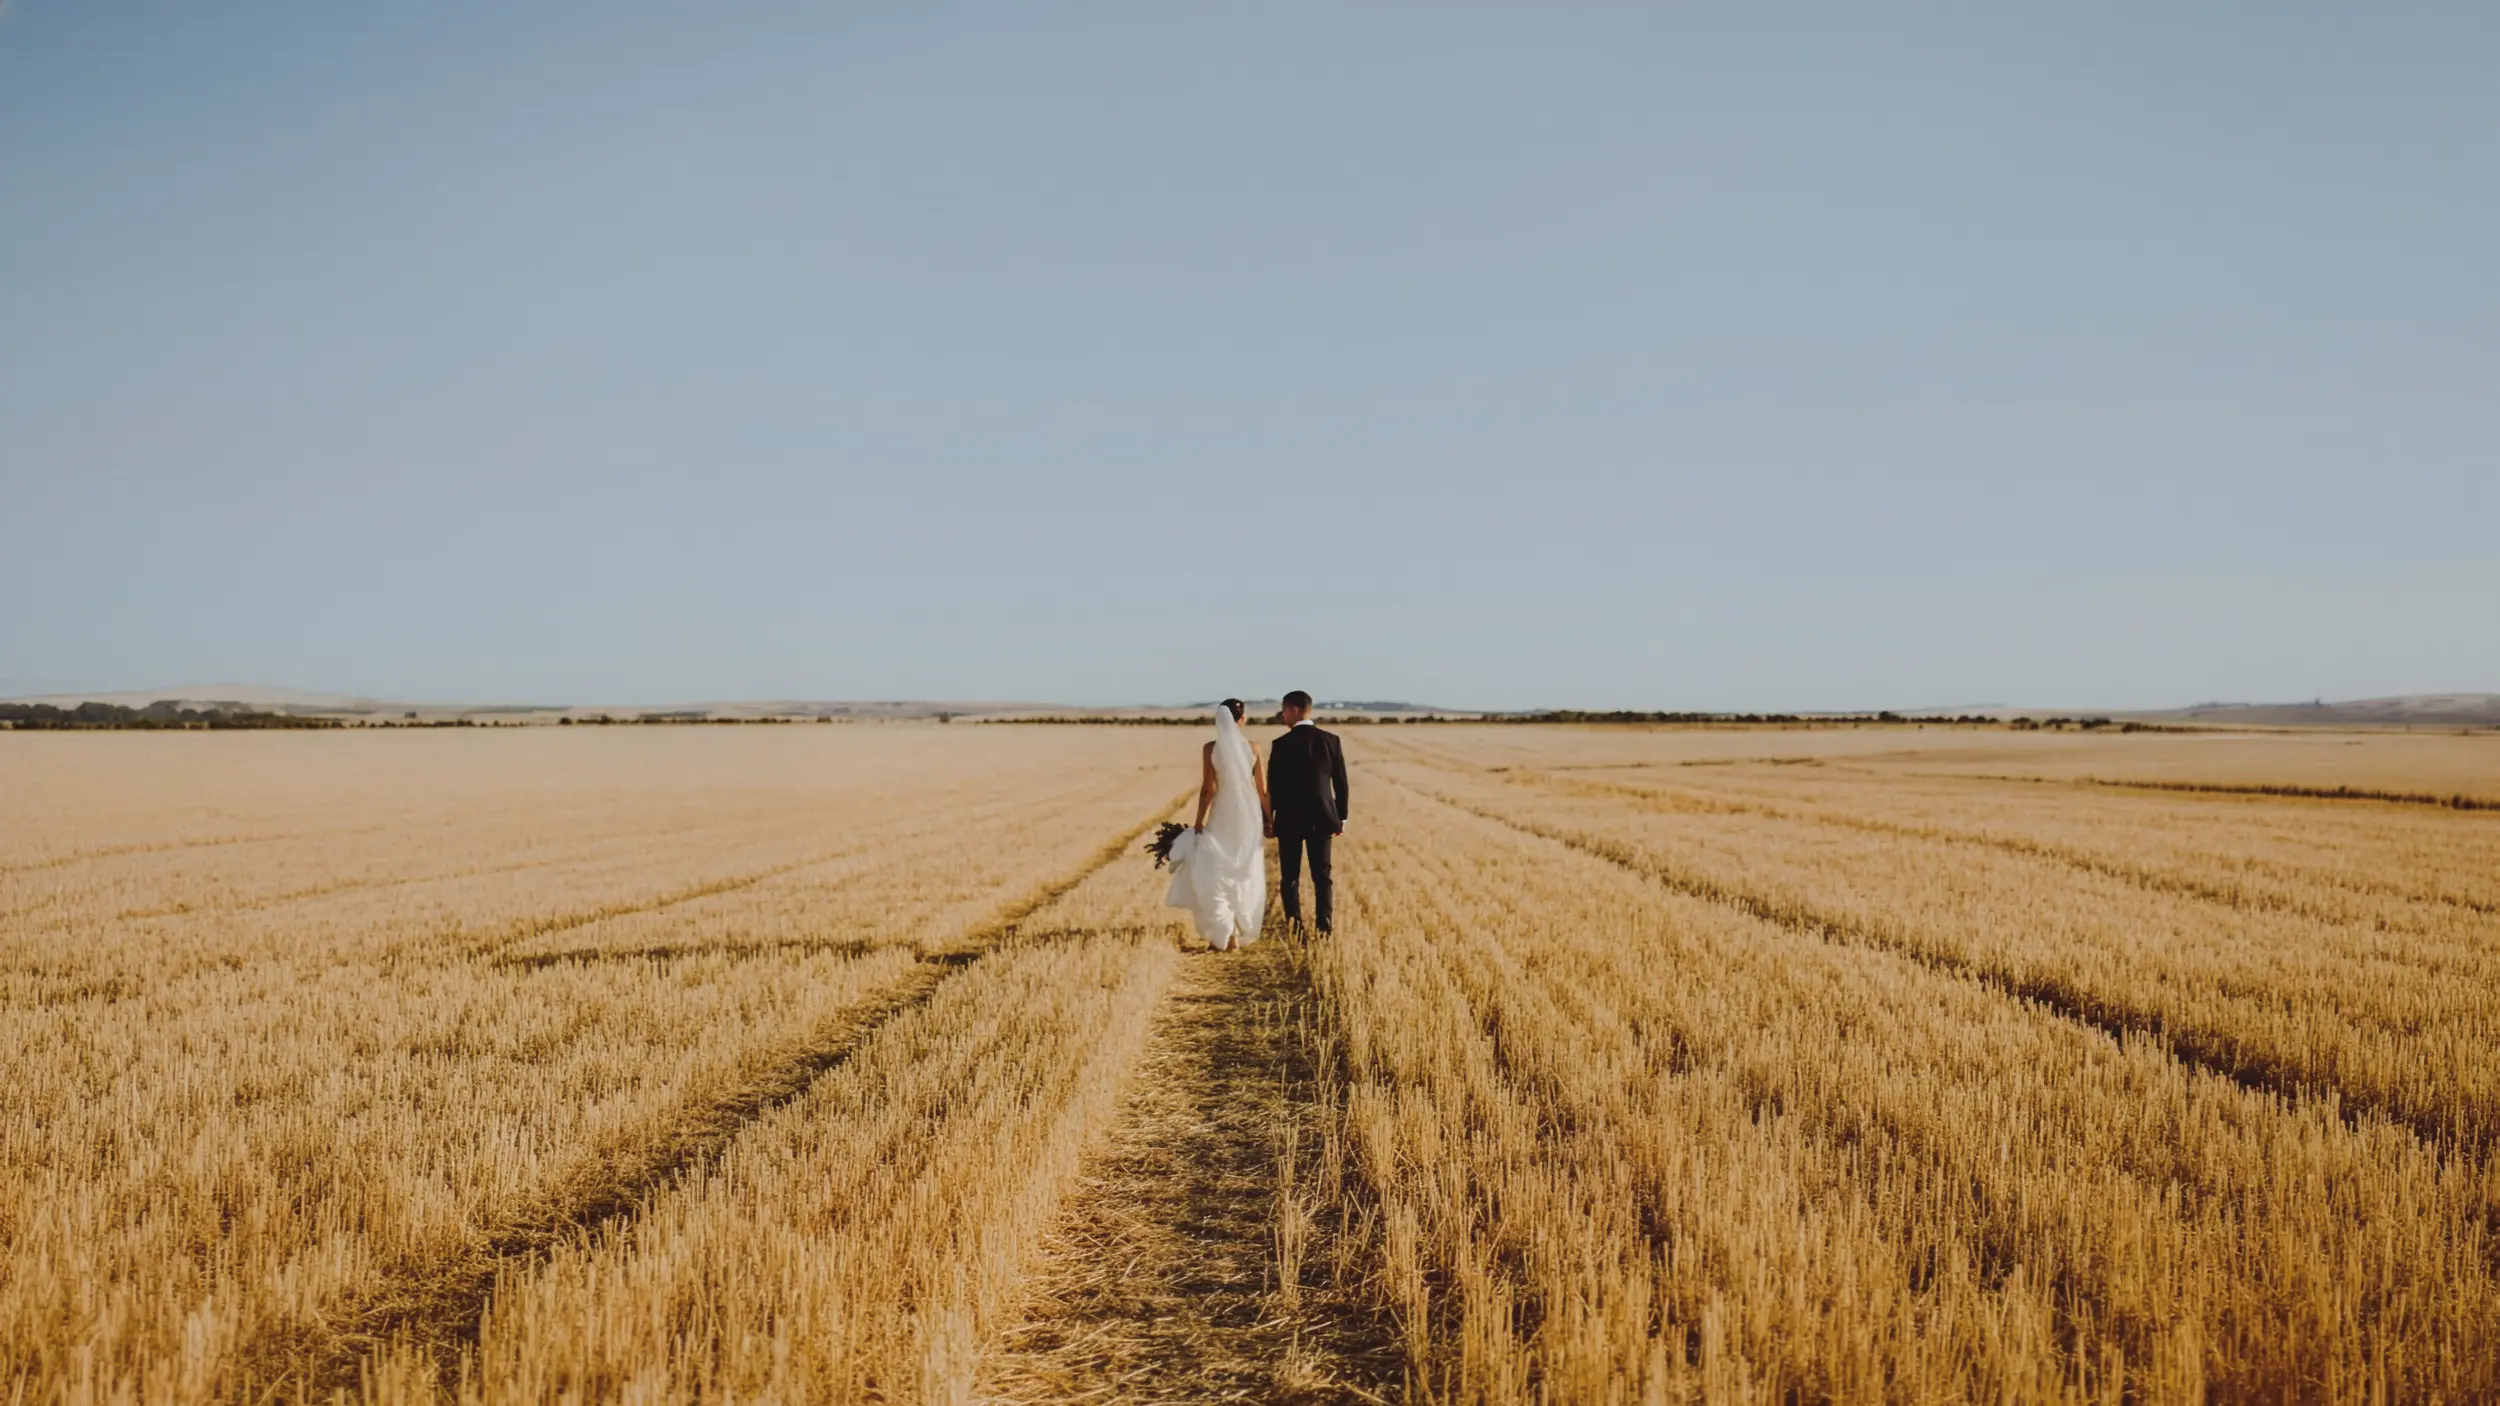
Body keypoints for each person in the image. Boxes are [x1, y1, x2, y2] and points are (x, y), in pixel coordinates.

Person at [1164, 699, 1269, 950]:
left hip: (1222, 812)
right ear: (1241, 719)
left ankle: (1226, 932)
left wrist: (1199, 821)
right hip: (1249, 816)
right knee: (1245, 868)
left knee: (1217, 870)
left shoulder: (1210, 748)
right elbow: (1263, 790)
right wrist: (1269, 820)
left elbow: (1208, 790)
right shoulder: (1254, 748)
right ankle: (1237, 926)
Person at [1266, 689, 1347, 933]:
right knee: (1322, 876)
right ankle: (1325, 925)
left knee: (1290, 877)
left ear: (1295, 710)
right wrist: (1341, 817)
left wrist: (1269, 819)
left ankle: (1295, 926)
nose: (1281, 715)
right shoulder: (1330, 740)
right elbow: (1341, 782)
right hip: (1323, 818)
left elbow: (1274, 787)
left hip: (1289, 819)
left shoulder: (1280, 744)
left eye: (1283, 709)